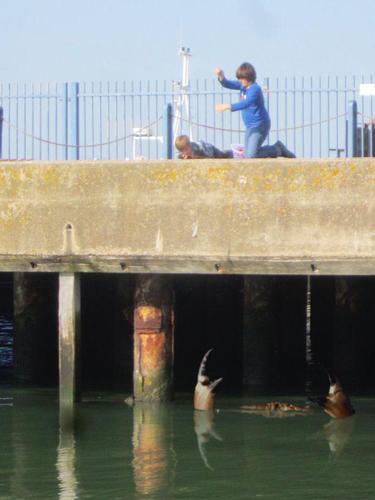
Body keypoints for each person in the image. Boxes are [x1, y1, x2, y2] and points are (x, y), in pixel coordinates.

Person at [215, 63, 295, 159]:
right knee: (247, 155)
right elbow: (227, 83)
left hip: (259, 126)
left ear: (248, 77)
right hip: (250, 127)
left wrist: (228, 106)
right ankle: (276, 149)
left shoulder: (255, 89)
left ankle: (277, 149)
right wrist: (221, 75)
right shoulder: (242, 86)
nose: (239, 80)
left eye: (241, 78)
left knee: (250, 156)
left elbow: (246, 103)